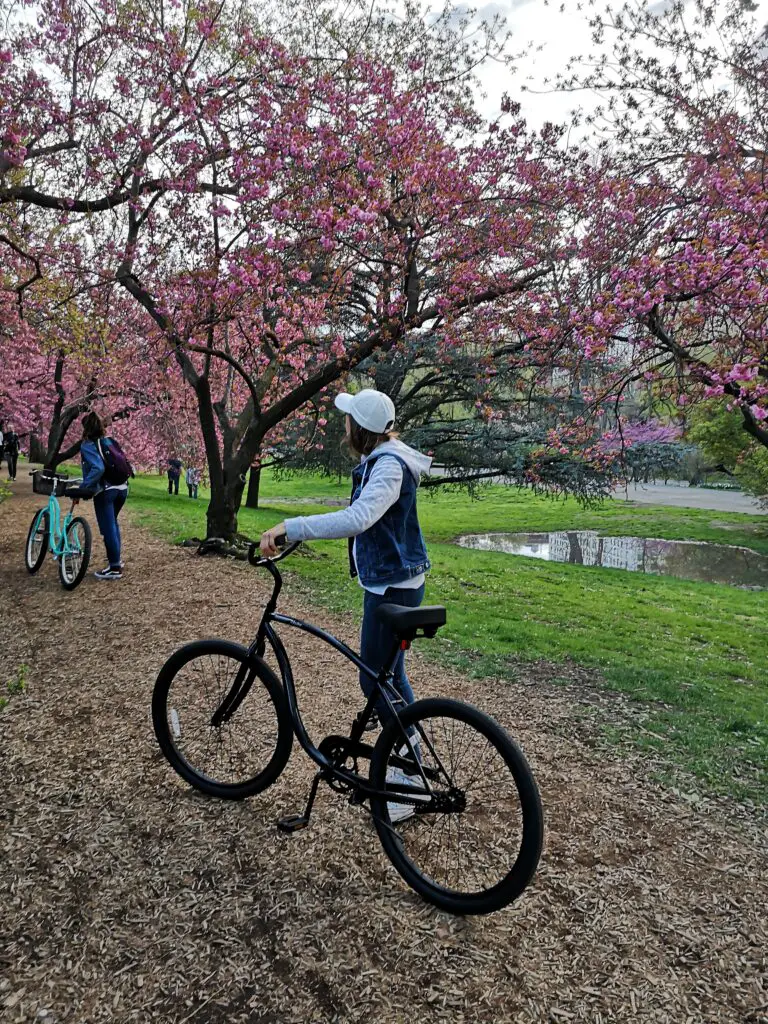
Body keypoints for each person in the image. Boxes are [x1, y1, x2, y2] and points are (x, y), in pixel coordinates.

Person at [260, 389, 431, 818]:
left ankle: (409, 774)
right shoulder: (383, 459)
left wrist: (291, 527)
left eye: (349, 419)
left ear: (362, 429)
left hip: (394, 588)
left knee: (375, 682)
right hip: (393, 583)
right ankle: (408, 751)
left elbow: (360, 518)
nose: (344, 425)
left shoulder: (389, 466)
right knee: (386, 678)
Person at [80, 411, 129, 581]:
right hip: (122, 488)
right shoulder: (109, 441)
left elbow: (98, 468)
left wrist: (85, 486)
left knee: (108, 527)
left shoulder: (88, 444)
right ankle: (116, 561)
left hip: (106, 491)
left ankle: (114, 567)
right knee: (112, 524)